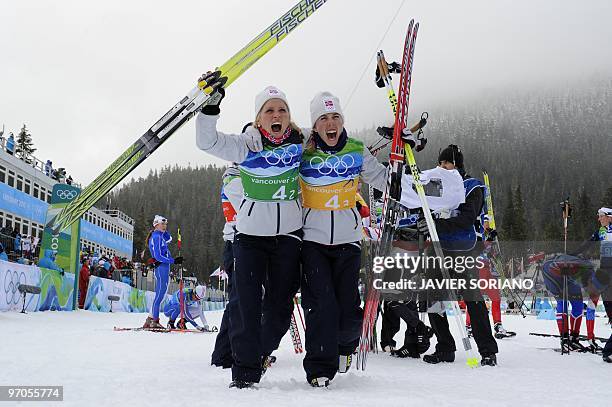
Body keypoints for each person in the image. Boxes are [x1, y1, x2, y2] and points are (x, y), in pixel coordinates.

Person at [196, 83, 303, 389]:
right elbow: (208, 142)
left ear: (289, 116)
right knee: (246, 306)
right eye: (269, 110)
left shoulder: (302, 143)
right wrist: (210, 109)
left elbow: (331, 133)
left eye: (282, 109)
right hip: (250, 236)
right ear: (259, 118)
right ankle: (243, 374)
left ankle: (258, 355)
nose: (276, 115)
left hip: (289, 238)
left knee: (281, 309)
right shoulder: (247, 145)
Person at [299, 91, 398, 387]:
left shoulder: (356, 149)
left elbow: (383, 180)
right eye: (323, 119)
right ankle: (319, 367)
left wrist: (399, 160)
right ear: (315, 125)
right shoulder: (303, 148)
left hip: (348, 241)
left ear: (342, 121)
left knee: (349, 310)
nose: (331, 124)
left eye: (335, 118)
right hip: (312, 242)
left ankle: (345, 347)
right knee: (320, 305)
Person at [421, 145, 499, 366]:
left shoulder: (472, 186)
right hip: (437, 249)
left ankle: (487, 349)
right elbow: (424, 209)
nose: (442, 167)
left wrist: (438, 224)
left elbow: (467, 218)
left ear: (457, 165)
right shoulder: (436, 185)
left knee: (472, 298)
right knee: (433, 299)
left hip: (462, 248)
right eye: (440, 163)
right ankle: (445, 347)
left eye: (446, 163)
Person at [211, 163, 243, 368]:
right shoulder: (234, 178)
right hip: (237, 242)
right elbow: (252, 208)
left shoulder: (240, 175)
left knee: (245, 300)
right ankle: (224, 354)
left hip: (242, 242)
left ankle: (238, 350)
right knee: (238, 301)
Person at [465, 216, 515, 339]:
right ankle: (469, 326)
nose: (487, 225)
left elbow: (491, 252)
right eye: (485, 223)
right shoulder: (473, 232)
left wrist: (493, 245)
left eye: (487, 222)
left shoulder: (486, 233)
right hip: (478, 268)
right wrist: (489, 240)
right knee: (475, 300)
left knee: (496, 298)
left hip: (489, 270)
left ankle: (498, 326)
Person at [142, 215, 183, 330]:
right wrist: (173, 260)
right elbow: (158, 256)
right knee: (160, 295)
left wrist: (163, 231)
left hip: (164, 267)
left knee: (161, 294)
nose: (165, 226)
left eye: (166, 224)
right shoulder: (157, 237)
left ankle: (150, 319)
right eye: (163, 224)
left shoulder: (160, 236)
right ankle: (154, 321)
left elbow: (169, 238)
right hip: (161, 267)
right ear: (156, 225)